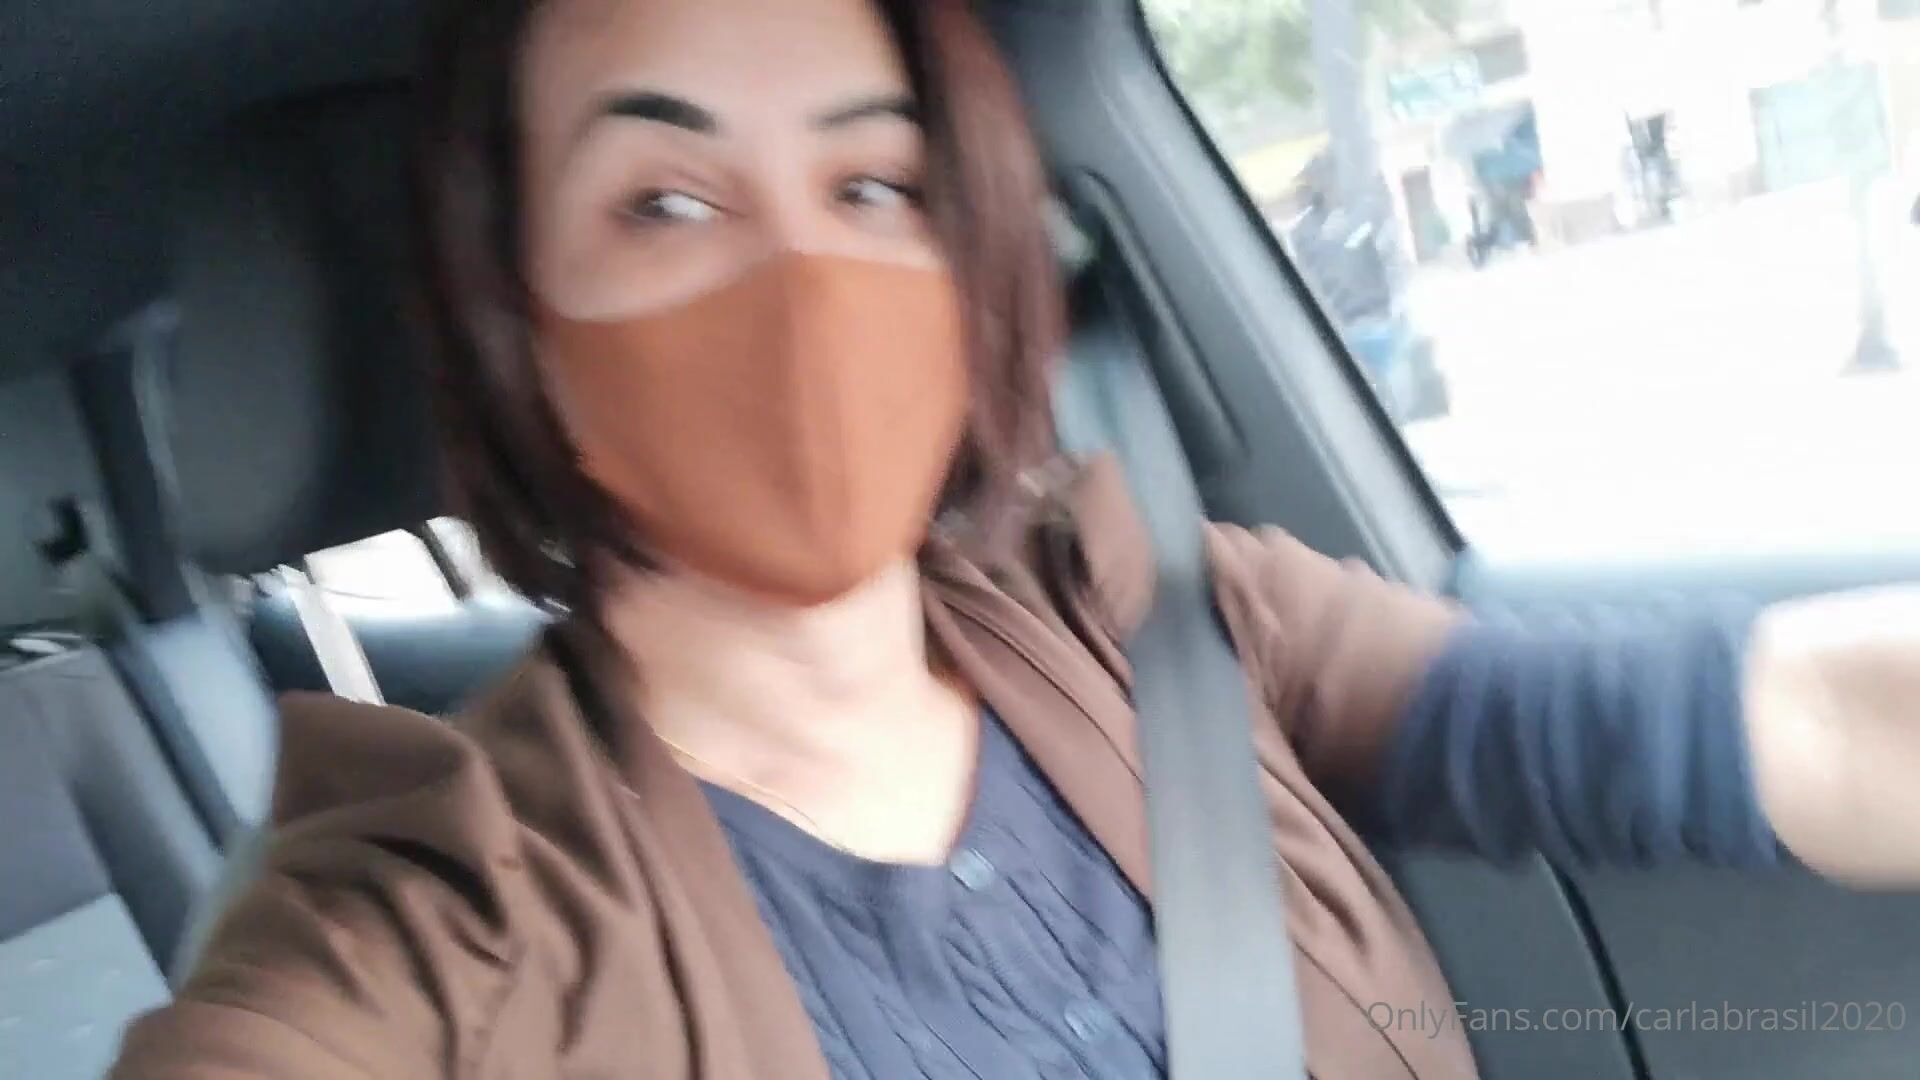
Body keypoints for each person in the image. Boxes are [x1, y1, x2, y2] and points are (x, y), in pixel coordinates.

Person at [113, 0, 1920, 1076]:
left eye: (873, 183)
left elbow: (1796, 727)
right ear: (523, 326)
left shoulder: (1170, 618)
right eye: (664, 199)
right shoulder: (432, 913)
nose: (803, 279)